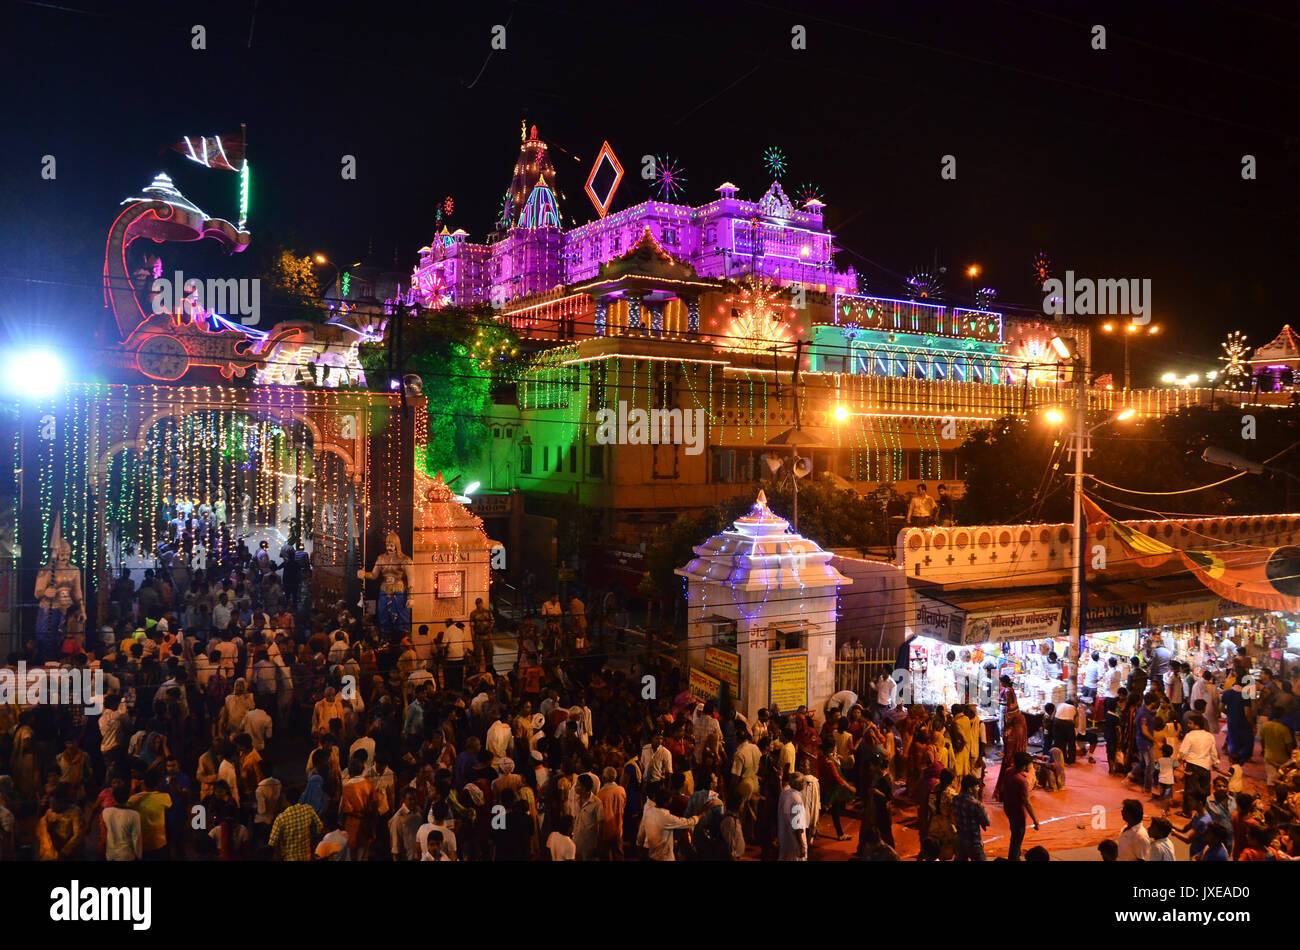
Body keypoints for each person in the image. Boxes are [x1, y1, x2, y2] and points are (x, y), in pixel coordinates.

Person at [999, 752, 1038, 861]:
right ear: (1024, 765)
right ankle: (1014, 857)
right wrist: (1036, 820)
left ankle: (1014, 855)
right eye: (1030, 764)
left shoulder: (1008, 772)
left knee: (1015, 835)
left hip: (1009, 809)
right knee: (1017, 838)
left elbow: (1003, 789)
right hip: (1018, 813)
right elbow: (1027, 803)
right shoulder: (1022, 781)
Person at [953, 774, 989, 861]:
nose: (978, 789)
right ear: (970, 789)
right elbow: (987, 821)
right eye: (976, 787)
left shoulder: (955, 799)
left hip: (960, 839)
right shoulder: (976, 804)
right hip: (973, 840)